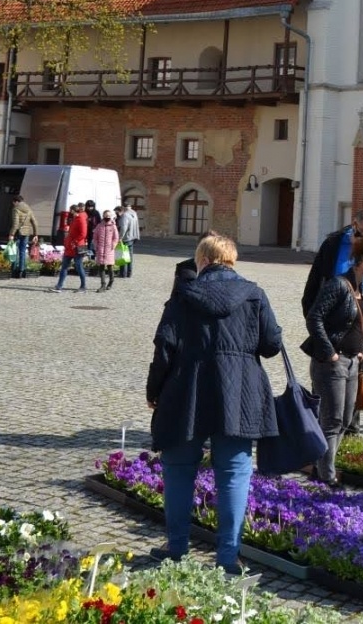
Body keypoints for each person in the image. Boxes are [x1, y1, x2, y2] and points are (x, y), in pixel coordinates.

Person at [146, 233, 282, 574]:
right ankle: (228, 556)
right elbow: (272, 344)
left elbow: (164, 347)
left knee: (178, 470)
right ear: (232, 261)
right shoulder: (254, 294)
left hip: (186, 389)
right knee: (234, 473)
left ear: (202, 261)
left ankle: (177, 548)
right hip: (240, 392)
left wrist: (154, 390)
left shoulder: (183, 295)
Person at [302, 208, 363, 435]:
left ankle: (349, 428)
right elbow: (314, 281)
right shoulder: (333, 245)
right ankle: (319, 429)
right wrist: (312, 315)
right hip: (331, 325)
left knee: (357, 377)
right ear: (354, 224)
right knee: (326, 378)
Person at [303, 236, 363, 484]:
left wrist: (361, 348)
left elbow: (357, 324)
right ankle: (326, 476)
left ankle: (324, 464)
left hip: (352, 362)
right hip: (331, 363)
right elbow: (314, 318)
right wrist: (329, 351)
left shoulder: (361, 291)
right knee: (332, 419)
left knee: (346, 419)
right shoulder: (338, 285)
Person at [52, 203, 89, 293]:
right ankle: (59, 286)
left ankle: (83, 286)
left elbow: (83, 234)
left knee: (79, 267)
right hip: (70, 247)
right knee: (64, 266)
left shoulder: (80, 219)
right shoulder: (75, 219)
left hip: (78, 246)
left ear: (72, 210)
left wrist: (74, 241)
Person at [9, 195, 38, 279]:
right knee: (22, 252)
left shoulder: (16, 209)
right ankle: (21, 271)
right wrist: (35, 234)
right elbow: (34, 222)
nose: (13, 204)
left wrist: (11, 234)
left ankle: (14, 271)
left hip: (18, 233)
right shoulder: (29, 209)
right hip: (26, 233)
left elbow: (15, 224)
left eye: (13, 202)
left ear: (16, 201)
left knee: (14, 251)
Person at [93, 209, 120, 292]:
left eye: (109, 216)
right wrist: (96, 246)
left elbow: (116, 238)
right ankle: (103, 284)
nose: (107, 217)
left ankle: (111, 281)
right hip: (101, 249)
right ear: (103, 216)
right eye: (106, 215)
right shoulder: (99, 226)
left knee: (110, 267)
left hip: (109, 249)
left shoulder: (113, 226)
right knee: (101, 267)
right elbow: (95, 237)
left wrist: (113, 245)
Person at [117, 201, 140, 279]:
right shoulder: (134, 213)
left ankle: (123, 273)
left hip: (126, 238)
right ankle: (129, 273)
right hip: (132, 237)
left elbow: (124, 228)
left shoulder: (125, 215)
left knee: (123, 256)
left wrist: (120, 237)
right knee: (129, 256)